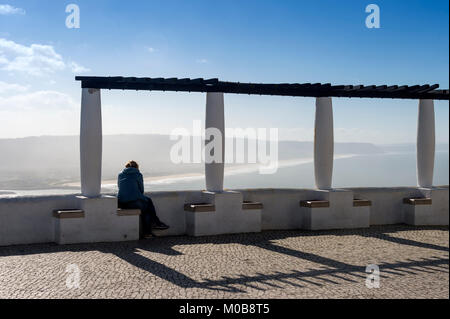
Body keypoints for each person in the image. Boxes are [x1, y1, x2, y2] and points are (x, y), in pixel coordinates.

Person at [117, 160, 169, 237]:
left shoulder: (120, 174)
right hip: (133, 202)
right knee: (147, 208)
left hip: (121, 203)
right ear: (137, 167)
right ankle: (154, 225)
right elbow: (141, 190)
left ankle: (154, 225)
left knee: (146, 208)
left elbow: (119, 186)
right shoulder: (138, 174)